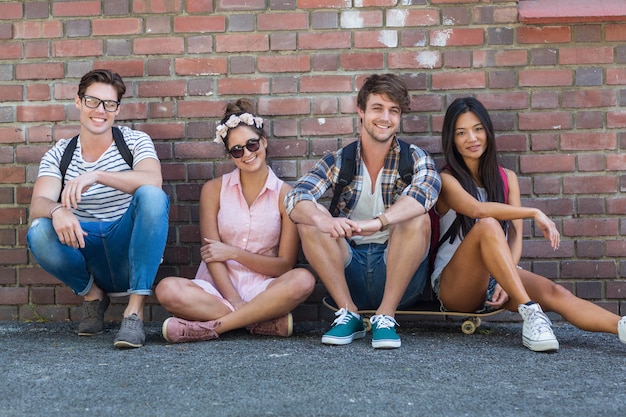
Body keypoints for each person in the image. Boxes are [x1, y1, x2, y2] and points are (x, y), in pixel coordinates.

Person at [432, 96, 626, 352]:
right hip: (454, 286)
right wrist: (534, 212)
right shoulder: (446, 180)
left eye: (478, 129)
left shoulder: (507, 178)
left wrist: (504, 279)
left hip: (496, 278)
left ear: (488, 132)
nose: (472, 138)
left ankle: (620, 326)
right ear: (452, 140)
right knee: (488, 225)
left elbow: (514, 239)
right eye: (461, 132)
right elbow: (477, 210)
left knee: (555, 293)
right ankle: (531, 311)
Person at [284, 74, 441, 349]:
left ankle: (386, 316)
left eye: (394, 110)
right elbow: (295, 196)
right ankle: (349, 314)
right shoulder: (339, 160)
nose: (386, 117)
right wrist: (323, 219)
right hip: (348, 271)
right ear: (361, 111)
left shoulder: (414, 157)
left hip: (398, 274)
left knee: (417, 215)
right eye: (378, 108)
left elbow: (426, 192)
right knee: (309, 216)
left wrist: (379, 222)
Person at [27, 69, 169, 349]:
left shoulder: (134, 141)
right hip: (84, 247)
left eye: (109, 104)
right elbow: (38, 204)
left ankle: (134, 312)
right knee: (39, 230)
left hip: (128, 249)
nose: (100, 110)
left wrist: (98, 175)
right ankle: (93, 296)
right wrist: (57, 211)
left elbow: (153, 180)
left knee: (153, 196)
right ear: (78, 102)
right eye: (92, 101)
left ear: (117, 109)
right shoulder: (60, 154)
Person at [155, 99, 315, 343]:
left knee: (303, 280)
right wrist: (235, 300)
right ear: (230, 155)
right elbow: (211, 256)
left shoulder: (286, 195)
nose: (247, 154)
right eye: (237, 150)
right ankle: (259, 320)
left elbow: (284, 265)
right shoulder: (213, 190)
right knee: (166, 289)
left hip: (265, 290)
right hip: (216, 290)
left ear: (264, 142)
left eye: (252, 144)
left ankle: (212, 328)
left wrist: (233, 252)